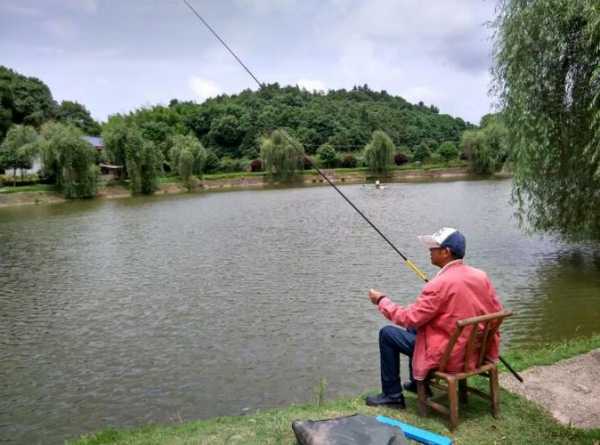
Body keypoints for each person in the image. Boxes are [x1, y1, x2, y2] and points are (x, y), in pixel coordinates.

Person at [365, 227, 503, 408]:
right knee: (415, 328)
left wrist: (382, 301)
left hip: (450, 355)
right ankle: (417, 384)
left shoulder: (439, 284)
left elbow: (409, 317)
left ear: (446, 252)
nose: (429, 252)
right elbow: (496, 311)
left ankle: (392, 396)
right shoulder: (480, 276)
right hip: (475, 350)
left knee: (387, 334)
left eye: (433, 248)